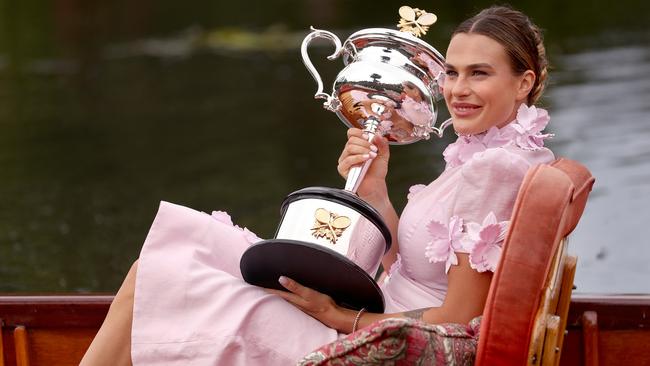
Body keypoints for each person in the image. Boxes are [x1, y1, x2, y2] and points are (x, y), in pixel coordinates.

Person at [81, 5, 554, 365]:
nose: (457, 90)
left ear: (523, 83)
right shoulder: (489, 155)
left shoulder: (493, 169)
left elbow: (455, 317)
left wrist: (338, 318)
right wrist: (374, 188)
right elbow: (411, 264)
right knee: (180, 249)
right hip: (375, 307)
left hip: (370, 335)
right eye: (451, 72)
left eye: (480, 74)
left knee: (161, 276)